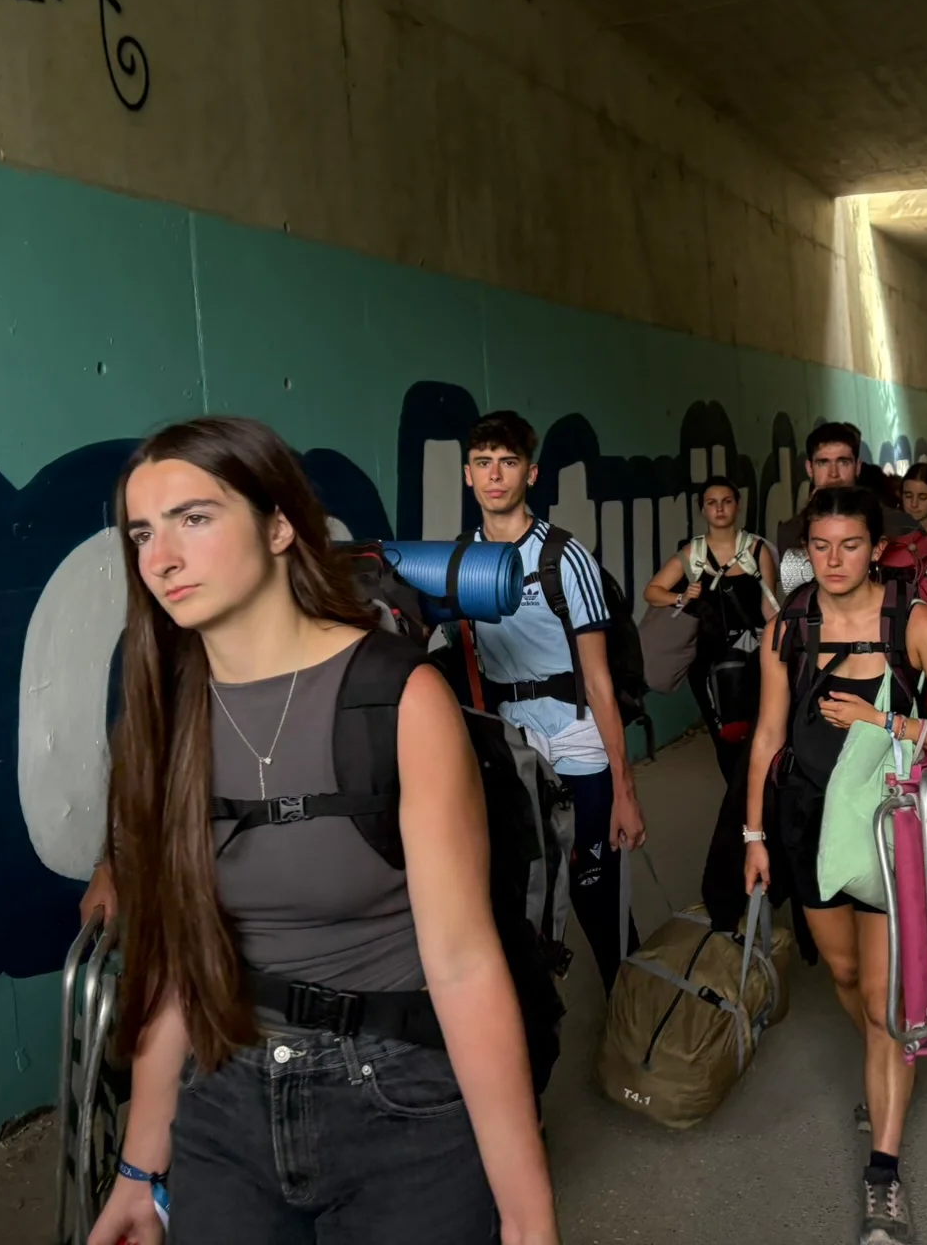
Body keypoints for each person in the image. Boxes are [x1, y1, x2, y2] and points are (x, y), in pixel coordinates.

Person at [87, 418, 557, 1245]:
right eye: (142, 533)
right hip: (225, 1094)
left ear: (279, 527)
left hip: (400, 1098)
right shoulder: (163, 713)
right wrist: (138, 1169)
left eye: (194, 518)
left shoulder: (398, 698)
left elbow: (462, 963)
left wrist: (526, 1215)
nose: (161, 558)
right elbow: (178, 963)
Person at [743, 486, 927, 1245]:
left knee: (883, 1001)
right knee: (844, 976)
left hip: (889, 826)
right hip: (810, 822)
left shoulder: (910, 621)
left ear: (877, 548)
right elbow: (768, 735)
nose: (835, 560)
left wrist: (883, 719)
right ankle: (888, 1062)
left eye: (850, 545)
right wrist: (753, 834)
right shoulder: (789, 626)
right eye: (820, 547)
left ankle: (884, 1173)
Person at [459, 410, 643, 995]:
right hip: (511, 745)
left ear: (531, 474)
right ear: (467, 474)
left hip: (575, 736)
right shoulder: (459, 560)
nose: (495, 476)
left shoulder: (566, 558)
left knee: (595, 889)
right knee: (522, 889)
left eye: (507, 463)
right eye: (483, 463)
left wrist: (624, 791)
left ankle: (635, 1018)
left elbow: (599, 682)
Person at [642, 476, 780, 779]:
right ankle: (737, 801)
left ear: (737, 506)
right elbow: (652, 591)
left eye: (726, 501)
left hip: (754, 659)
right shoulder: (692, 553)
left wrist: (781, 650)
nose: (719, 509)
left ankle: (756, 800)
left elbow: (769, 607)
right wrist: (680, 597)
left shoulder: (757, 550)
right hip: (708, 663)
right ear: (703, 509)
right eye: (712, 503)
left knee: (760, 734)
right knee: (726, 740)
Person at [779, 422, 908, 554]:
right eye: (823, 463)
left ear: (857, 467)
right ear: (809, 469)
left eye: (843, 462)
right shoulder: (790, 534)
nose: (833, 474)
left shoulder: (897, 526)